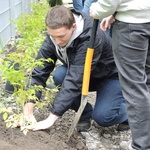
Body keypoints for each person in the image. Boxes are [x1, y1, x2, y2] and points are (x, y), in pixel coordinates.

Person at [22, 5, 129, 132]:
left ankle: (132, 112)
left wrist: (51, 118)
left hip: (110, 76)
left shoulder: (90, 37)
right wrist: (28, 108)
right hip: (87, 75)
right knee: (60, 75)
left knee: (103, 117)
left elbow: (75, 79)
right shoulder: (54, 37)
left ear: (73, 27)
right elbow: (39, 70)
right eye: (53, 36)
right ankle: (85, 113)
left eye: (61, 36)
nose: (56, 41)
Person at [90, 0, 150, 150]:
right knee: (146, 81)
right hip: (143, 16)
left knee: (134, 86)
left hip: (133, 25)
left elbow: (109, 2)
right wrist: (116, 12)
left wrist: (98, 9)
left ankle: (141, 145)